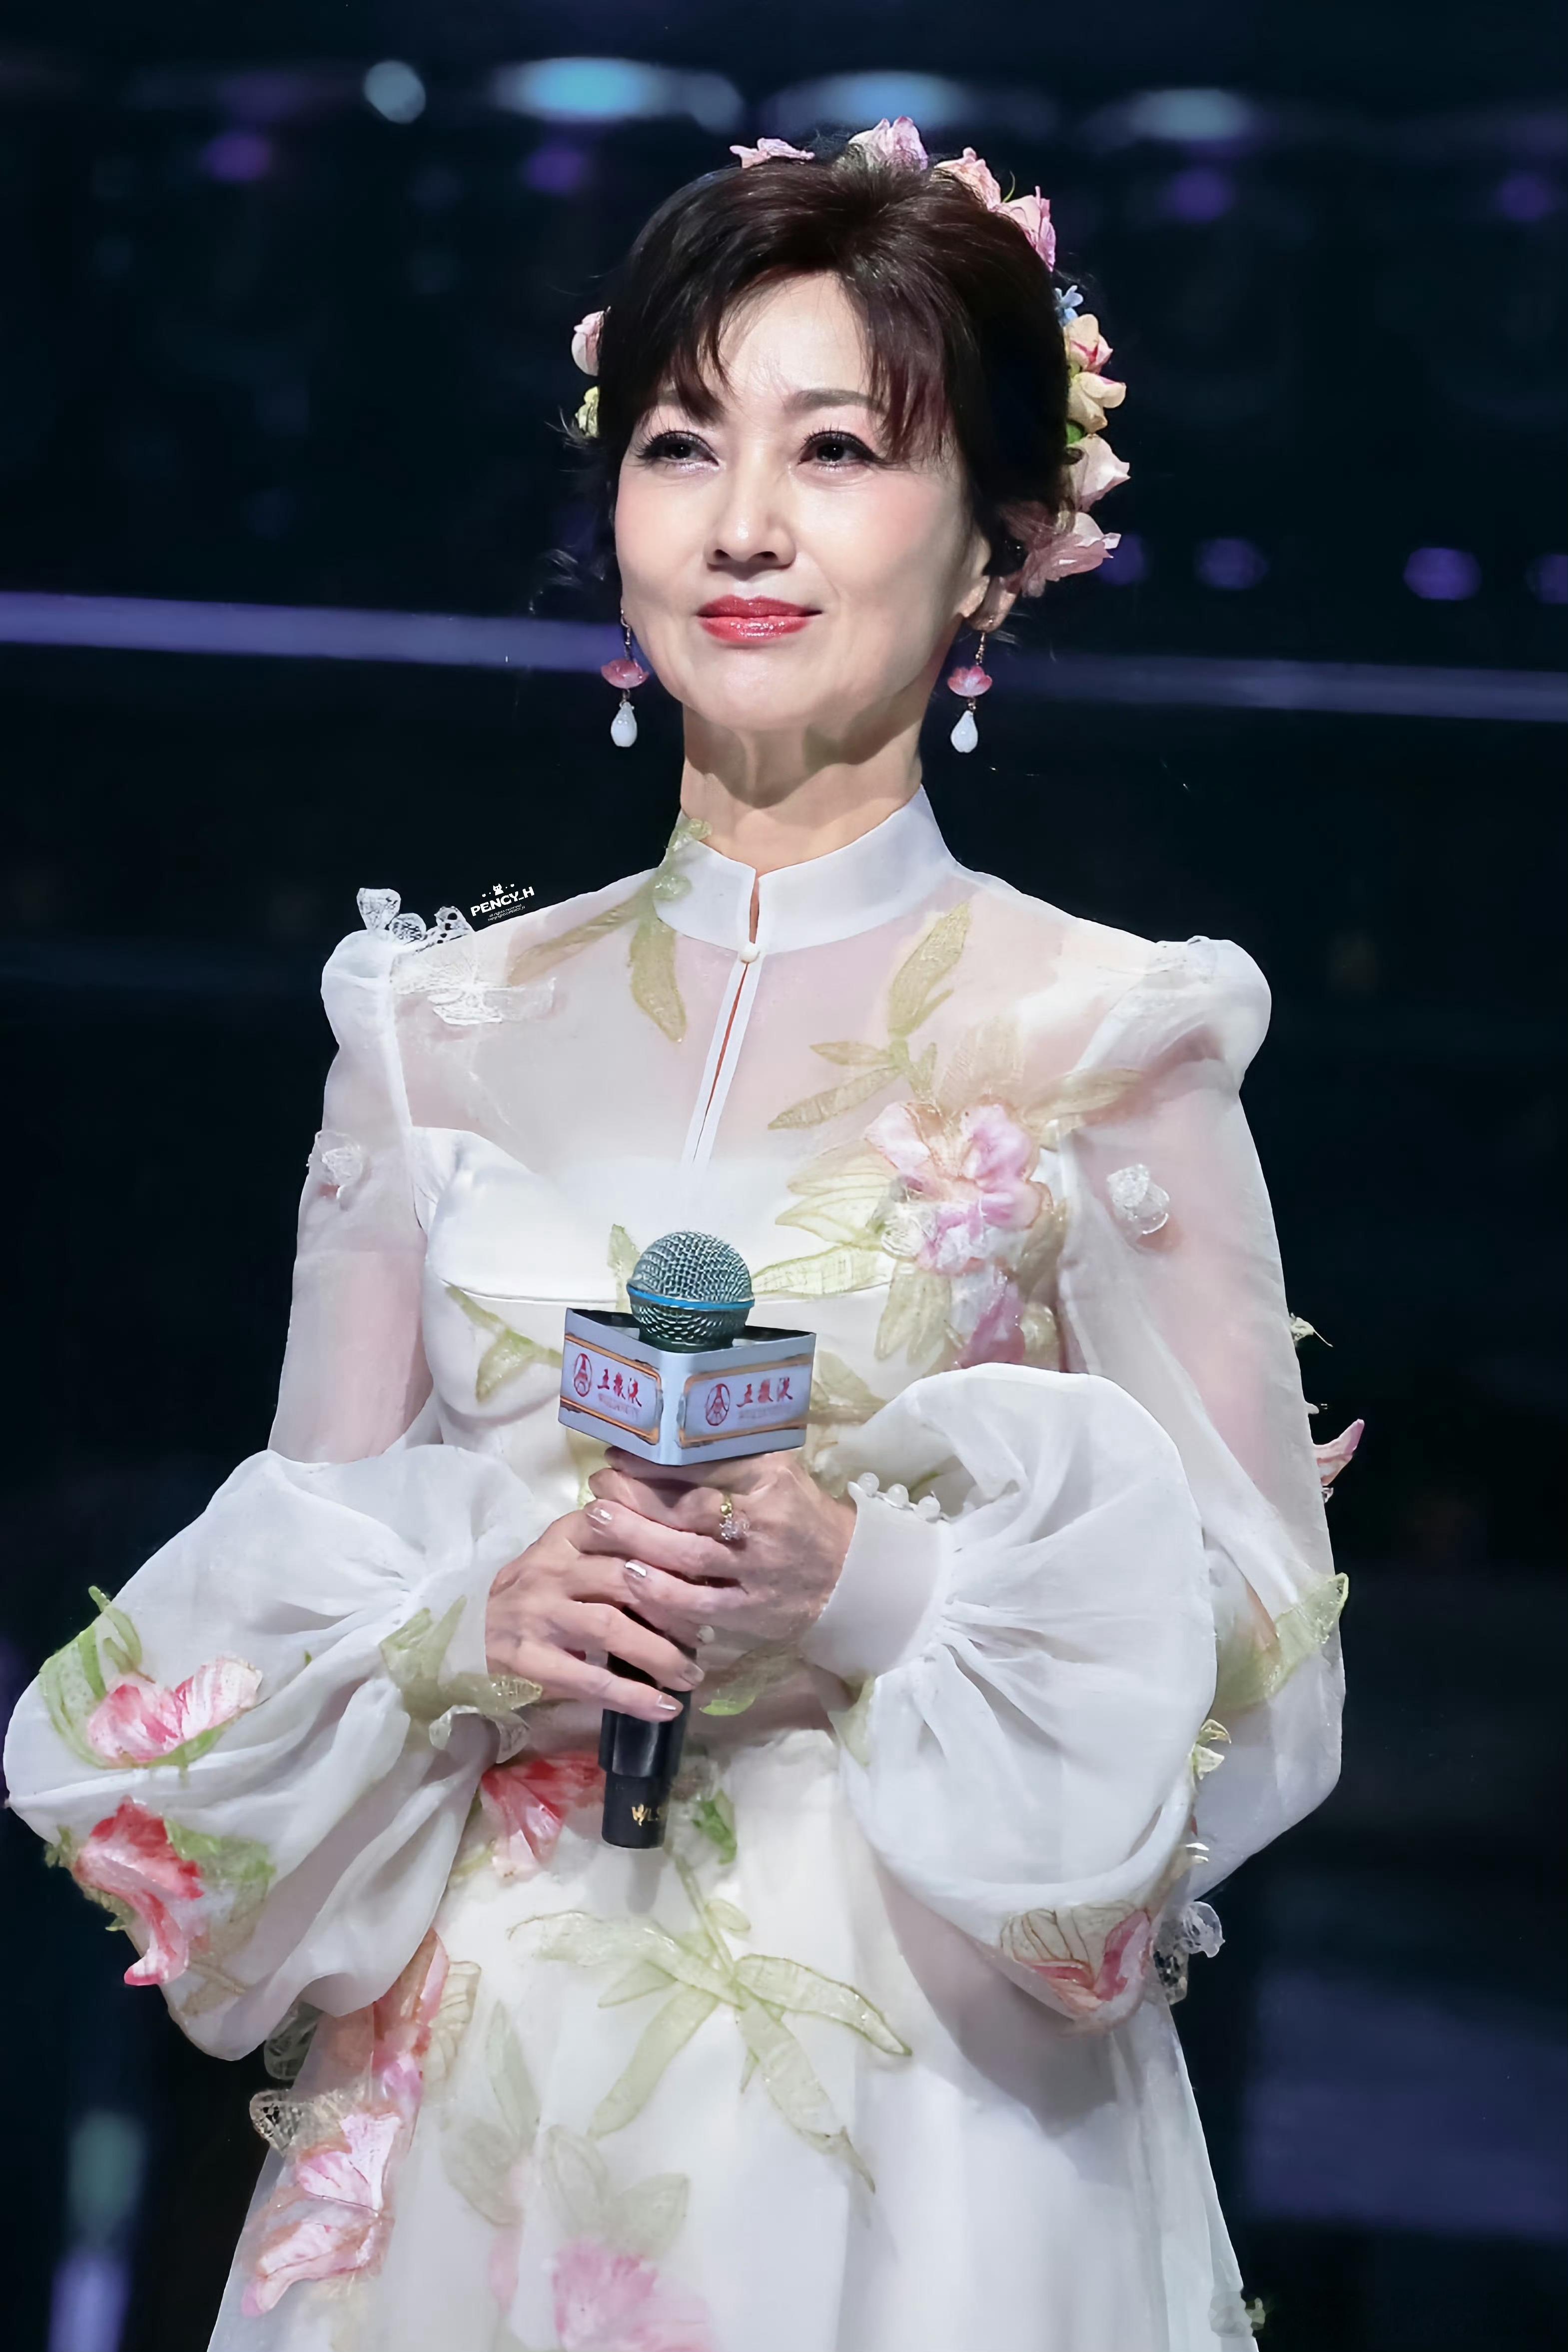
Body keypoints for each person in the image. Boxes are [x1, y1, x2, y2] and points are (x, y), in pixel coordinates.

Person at [5, 120, 1355, 2352]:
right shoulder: (430, 1030)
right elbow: (293, 1569)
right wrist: (471, 1622)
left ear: (998, 545)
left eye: (838, 449)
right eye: (678, 441)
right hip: (484, 2075)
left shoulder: (1108, 1034)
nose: (742, 521)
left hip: (917, 2105)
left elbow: (1262, 1661)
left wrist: (871, 1588)